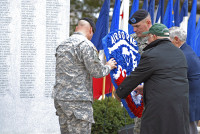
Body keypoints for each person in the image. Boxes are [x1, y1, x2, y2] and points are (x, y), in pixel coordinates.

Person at [114, 23, 189, 134]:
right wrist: (145, 89)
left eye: (148, 37)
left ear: (154, 36)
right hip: (179, 108)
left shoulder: (152, 54)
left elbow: (135, 77)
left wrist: (120, 93)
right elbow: (168, 80)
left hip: (159, 109)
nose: (147, 40)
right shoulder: (180, 54)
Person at [53, 17, 117, 134]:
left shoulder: (62, 45)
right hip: (78, 101)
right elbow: (97, 72)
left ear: (77, 28)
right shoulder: (85, 45)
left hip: (61, 98)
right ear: (91, 30)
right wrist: (108, 66)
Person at [169, 27, 200, 134]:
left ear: (176, 39)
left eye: (169, 41)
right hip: (191, 102)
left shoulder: (183, 55)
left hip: (188, 104)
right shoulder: (187, 51)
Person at [128, 9, 152, 134]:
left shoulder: (160, 39)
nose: (134, 30)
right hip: (137, 95)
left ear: (148, 22)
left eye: (137, 26)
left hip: (156, 94)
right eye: (133, 27)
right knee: (139, 129)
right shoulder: (130, 40)